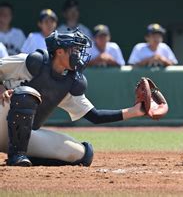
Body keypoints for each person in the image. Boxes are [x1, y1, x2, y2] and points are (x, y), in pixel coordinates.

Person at [0, 29, 150, 166]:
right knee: (25, 94)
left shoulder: (70, 82)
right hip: (2, 116)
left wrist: (136, 111)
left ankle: (24, 156)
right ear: (59, 52)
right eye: (75, 49)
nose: (78, 54)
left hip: (19, 135)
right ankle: (17, 157)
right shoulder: (33, 62)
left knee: (81, 154)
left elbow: (95, 116)